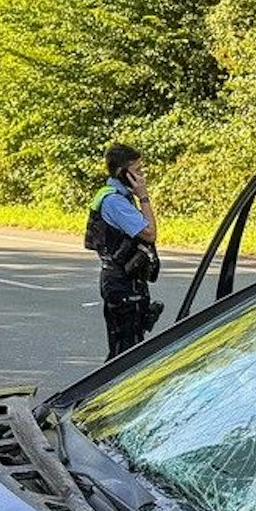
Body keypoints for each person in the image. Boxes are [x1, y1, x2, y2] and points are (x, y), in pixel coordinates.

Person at [85, 142, 163, 358]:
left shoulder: (113, 195)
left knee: (128, 345)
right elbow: (149, 233)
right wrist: (144, 197)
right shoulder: (115, 201)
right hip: (121, 281)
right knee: (126, 352)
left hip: (124, 278)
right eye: (137, 171)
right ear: (122, 173)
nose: (142, 176)